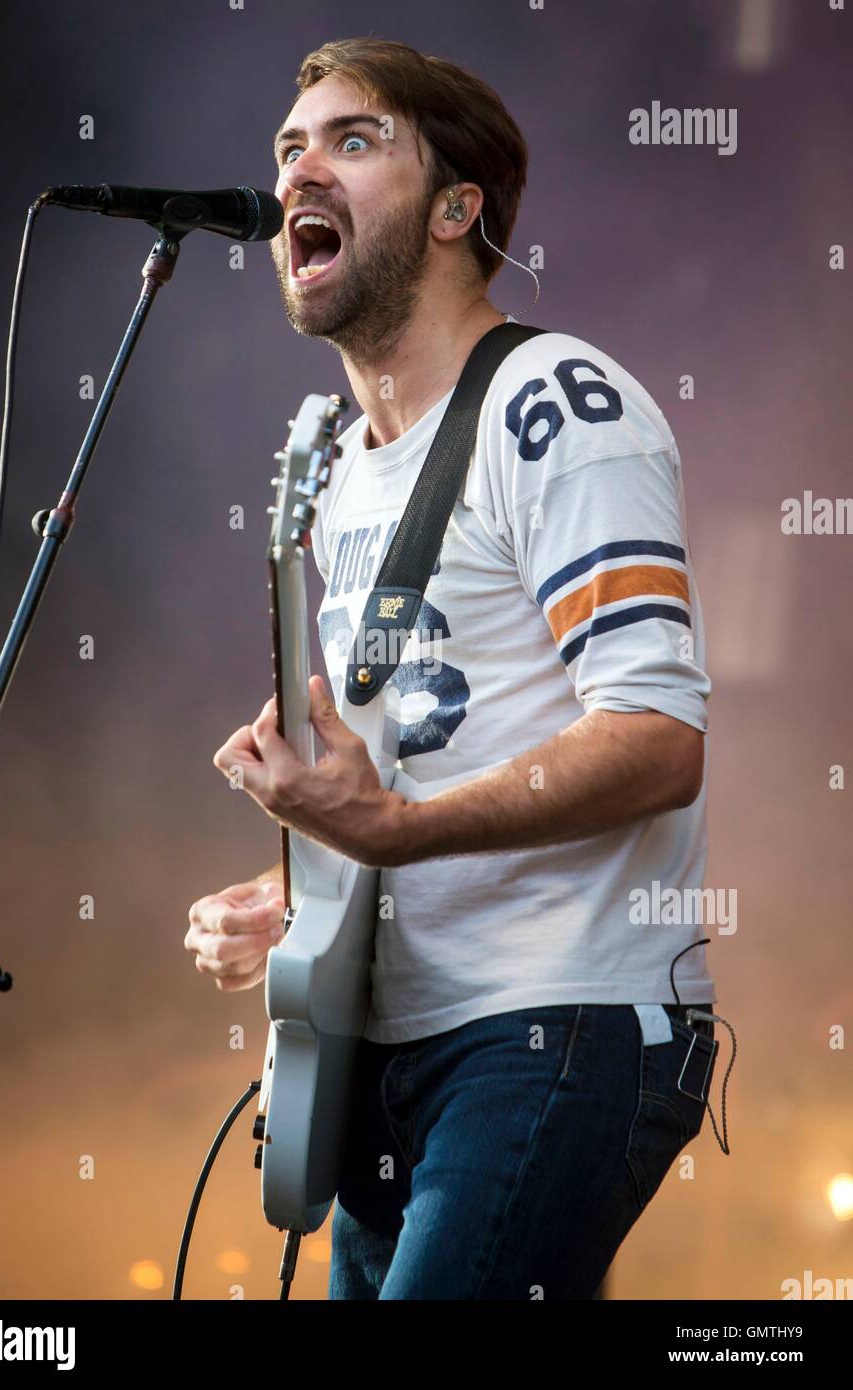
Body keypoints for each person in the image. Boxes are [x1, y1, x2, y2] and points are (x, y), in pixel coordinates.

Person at [184, 37, 717, 1300]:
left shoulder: (556, 400)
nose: (296, 165)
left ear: (454, 209)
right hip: (384, 1043)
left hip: (554, 1025)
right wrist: (297, 888)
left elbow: (656, 735)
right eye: (285, 146)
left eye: (349, 141)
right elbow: (419, 761)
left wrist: (388, 827)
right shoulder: (334, 463)